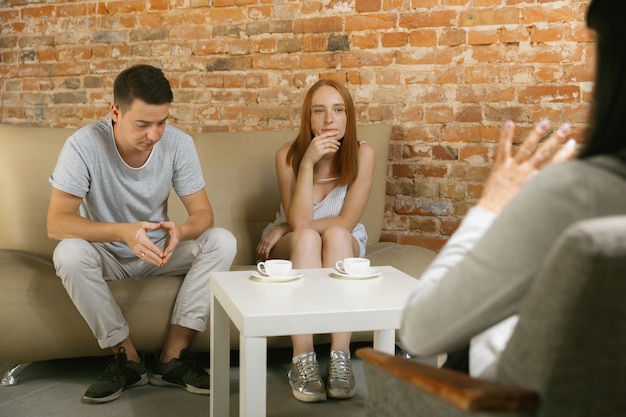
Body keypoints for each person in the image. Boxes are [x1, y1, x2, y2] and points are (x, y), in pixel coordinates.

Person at [399, 0, 626, 379]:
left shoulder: (576, 195)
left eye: (596, 44)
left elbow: (420, 331)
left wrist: (493, 203)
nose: (587, 68)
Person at [46, 64, 237, 403]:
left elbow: (204, 215)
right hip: (107, 254)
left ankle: (171, 359)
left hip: (158, 253)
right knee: (68, 253)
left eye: (162, 122)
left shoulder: (179, 144)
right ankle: (127, 360)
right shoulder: (82, 145)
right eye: (143, 124)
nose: (154, 134)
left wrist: (182, 229)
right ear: (116, 112)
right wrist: (123, 232)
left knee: (222, 241)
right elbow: (57, 223)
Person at [256, 79, 376, 402]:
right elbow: (300, 224)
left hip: (338, 238)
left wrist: (285, 226)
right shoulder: (287, 156)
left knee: (336, 234)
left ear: (348, 117)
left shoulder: (363, 154)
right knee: (307, 238)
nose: (328, 121)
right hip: (298, 241)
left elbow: (346, 221)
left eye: (338, 110)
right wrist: (307, 162)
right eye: (319, 111)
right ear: (308, 119)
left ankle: (340, 357)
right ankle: (303, 358)